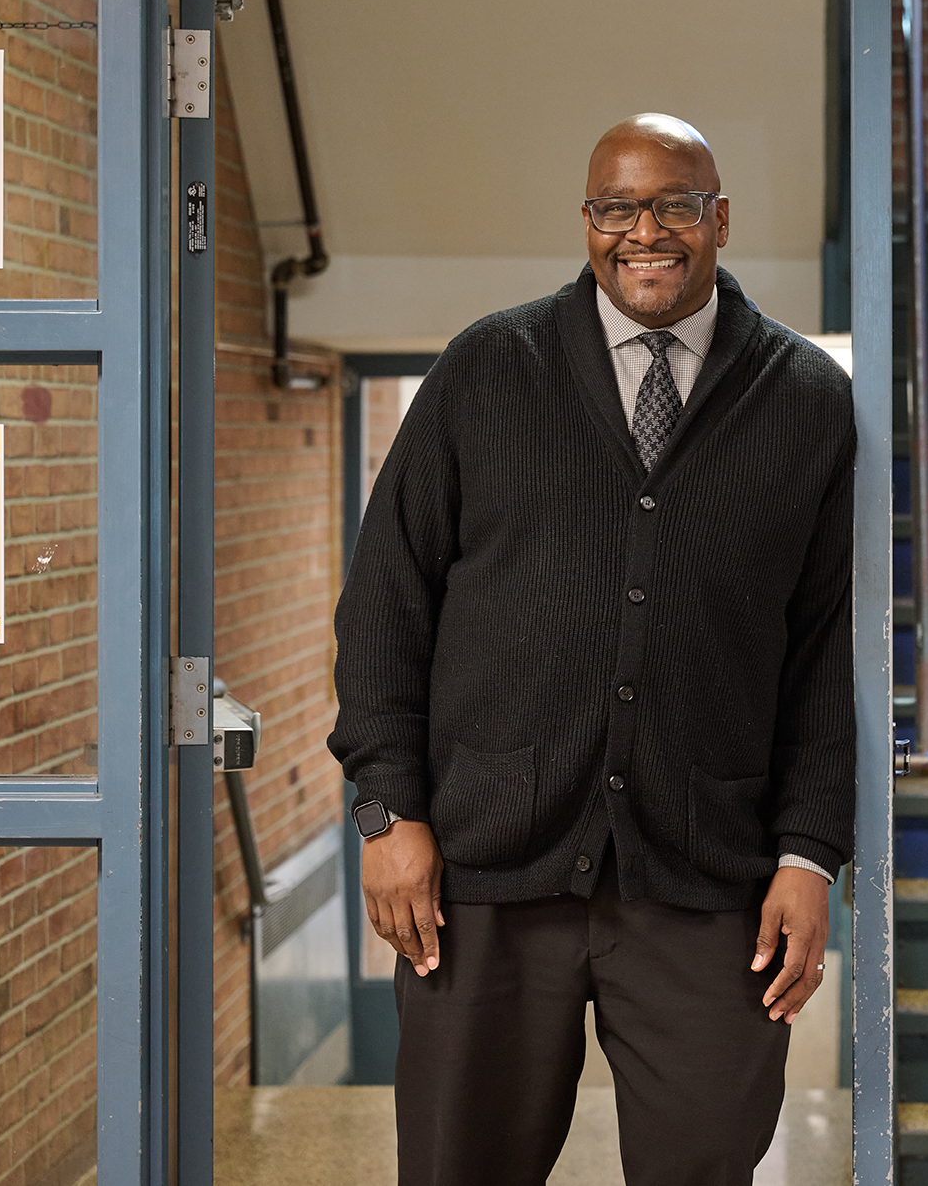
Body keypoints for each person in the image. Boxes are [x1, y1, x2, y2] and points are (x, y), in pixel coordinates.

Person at [328, 113, 856, 1186]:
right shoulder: (488, 368)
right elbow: (385, 600)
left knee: (706, 1160)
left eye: (673, 203)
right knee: (457, 1165)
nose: (644, 231)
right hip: (482, 867)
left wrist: (809, 855)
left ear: (719, 219)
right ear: (586, 221)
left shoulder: (804, 399)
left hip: (708, 870)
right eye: (616, 207)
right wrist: (388, 812)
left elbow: (824, 650)